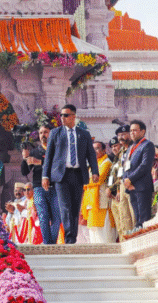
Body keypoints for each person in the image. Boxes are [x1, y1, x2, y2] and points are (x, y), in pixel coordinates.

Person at [42, 104, 99, 244]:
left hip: (78, 174)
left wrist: (95, 171)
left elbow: (90, 154)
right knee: (65, 207)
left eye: (66, 115)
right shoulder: (55, 133)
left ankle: (72, 237)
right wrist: (45, 176)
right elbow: (48, 156)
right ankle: (69, 237)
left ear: (73, 116)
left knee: (75, 207)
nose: (62, 118)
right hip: (61, 175)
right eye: (61, 115)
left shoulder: (83, 134)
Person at [23, 125, 60, 244]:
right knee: (43, 216)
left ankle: (52, 245)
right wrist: (25, 158)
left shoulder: (58, 149)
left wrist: (40, 162)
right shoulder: (35, 151)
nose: (43, 135)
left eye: (45, 132)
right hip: (38, 188)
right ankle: (47, 244)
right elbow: (25, 171)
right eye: (40, 133)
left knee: (56, 217)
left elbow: (60, 166)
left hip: (55, 187)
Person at [123, 120, 155, 229]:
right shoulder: (130, 148)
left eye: (135, 130)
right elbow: (125, 167)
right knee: (137, 218)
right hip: (131, 187)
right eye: (130, 130)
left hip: (142, 186)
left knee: (144, 218)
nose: (132, 133)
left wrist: (130, 179)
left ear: (142, 131)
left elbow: (144, 166)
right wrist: (125, 181)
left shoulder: (147, 145)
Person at [81, 140, 115, 243]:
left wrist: (86, 181)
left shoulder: (106, 162)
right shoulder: (93, 165)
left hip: (102, 203)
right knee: (93, 233)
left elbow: (98, 179)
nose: (94, 151)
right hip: (92, 203)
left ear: (104, 150)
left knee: (104, 234)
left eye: (97, 148)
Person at [108, 125, 136, 237]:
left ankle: (134, 239)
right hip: (119, 188)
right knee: (123, 219)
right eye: (119, 135)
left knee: (133, 216)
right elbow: (118, 174)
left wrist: (112, 188)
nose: (121, 137)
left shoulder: (133, 148)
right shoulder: (120, 154)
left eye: (124, 134)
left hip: (131, 185)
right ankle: (127, 240)